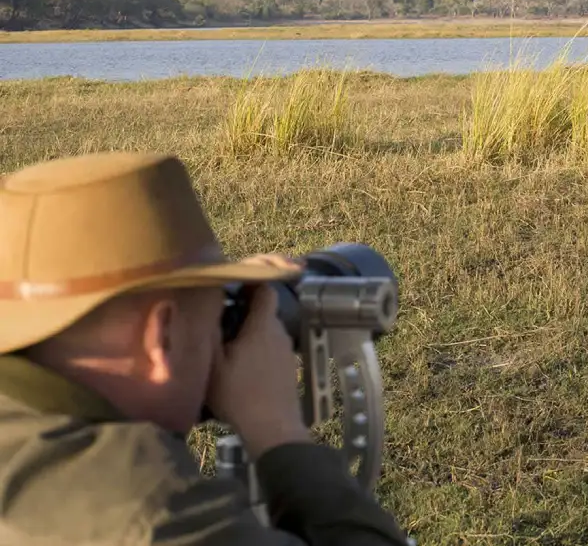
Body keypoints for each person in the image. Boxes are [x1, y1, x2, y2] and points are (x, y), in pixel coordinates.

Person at [0, 151, 414, 545]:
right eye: (216, 324)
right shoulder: (149, 513)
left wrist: (199, 301)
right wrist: (277, 431)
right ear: (160, 337)